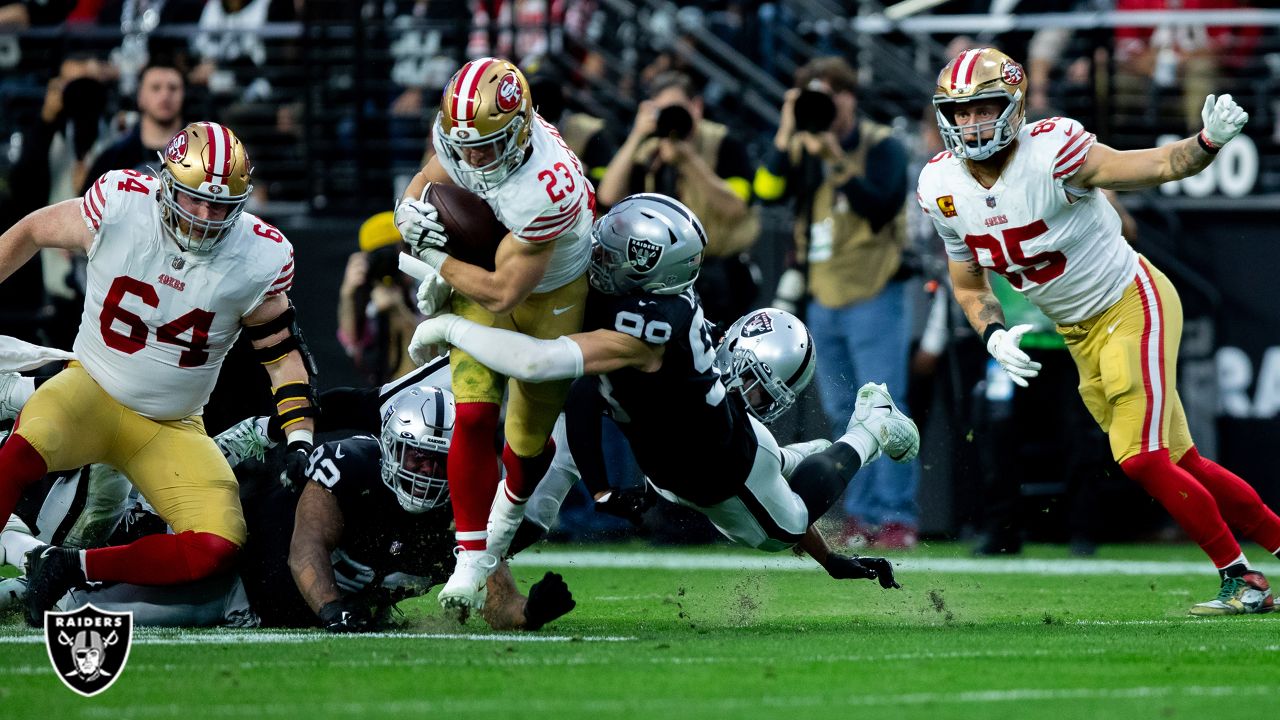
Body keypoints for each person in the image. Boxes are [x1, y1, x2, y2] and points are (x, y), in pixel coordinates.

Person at [917, 47, 1279, 616]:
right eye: (959, 112)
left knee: (1137, 457)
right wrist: (992, 332)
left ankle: (1242, 579)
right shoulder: (940, 184)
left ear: (1013, 104)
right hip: (1077, 330)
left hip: (1131, 300)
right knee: (1181, 463)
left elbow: (1157, 166)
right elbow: (967, 285)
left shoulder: (1054, 150)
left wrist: (1205, 143)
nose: (971, 123)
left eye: (983, 107)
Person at [409, 194, 919, 577]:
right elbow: (582, 394)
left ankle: (870, 429)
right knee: (543, 477)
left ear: (643, 266)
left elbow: (541, 364)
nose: (597, 256)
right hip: (677, 438)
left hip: (721, 468)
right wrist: (440, 265)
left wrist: (452, 326)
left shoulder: (650, 328)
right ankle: (466, 559)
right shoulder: (633, 299)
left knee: (783, 526)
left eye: (613, 250)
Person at [0, 121, 318, 626]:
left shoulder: (259, 255)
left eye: (221, 207)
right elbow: (34, 230)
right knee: (14, 456)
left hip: (171, 426)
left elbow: (282, 356)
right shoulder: (122, 204)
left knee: (218, 543)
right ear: (167, 182)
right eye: (195, 200)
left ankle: (70, 567)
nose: (207, 217)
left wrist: (301, 438)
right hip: (89, 390)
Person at [0, 383, 574, 632]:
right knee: (75, 613)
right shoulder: (351, 467)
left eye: (437, 463)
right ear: (392, 448)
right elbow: (307, 552)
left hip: (276, 602)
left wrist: (531, 612)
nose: (426, 473)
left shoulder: (465, 513)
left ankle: (41, 568)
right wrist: (334, 610)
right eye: (417, 459)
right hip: (238, 580)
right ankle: (33, 562)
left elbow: (499, 604)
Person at [393, 57, 595, 611]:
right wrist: (407, 214)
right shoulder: (465, 138)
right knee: (476, 414)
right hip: (485, 270)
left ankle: (496, 541)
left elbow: (505, 291)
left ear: (521, 128)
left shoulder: (545, 185)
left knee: (527, 443)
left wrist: (436, 260)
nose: (473, 158)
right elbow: (424, 181)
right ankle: (469, 554)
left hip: (550, 294)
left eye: (487, 145)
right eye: (465, 145)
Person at [754, 56, 919, 548]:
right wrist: (788, 132)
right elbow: (766, 192)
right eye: (814, 98)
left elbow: (880, 206)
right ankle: (862, 516)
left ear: (850, 97)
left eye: (833, 96)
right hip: (823, 294)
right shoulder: (801, 144)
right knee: (845, 409)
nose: (826, 107)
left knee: (885, 404)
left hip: (874, 289)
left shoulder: (880, 145)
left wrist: (835, 156)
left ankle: (896, 517)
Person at [596, 70, 759, 329]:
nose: (671, 118)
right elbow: (606, 197)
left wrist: (689, 161)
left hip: (721, 278)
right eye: (662, 111)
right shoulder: (648, 152)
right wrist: (637, 136)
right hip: (662, 279)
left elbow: (736, 207)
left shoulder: (725, 142)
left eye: (677, 109)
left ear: (696, 107)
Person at [337, 212, 423, 385]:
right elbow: (351, 341)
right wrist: (347, 294)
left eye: (395, 254)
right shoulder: (364, 297)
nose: (389, 263)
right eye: (380, 257)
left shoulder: (423, 290)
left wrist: (400, 310)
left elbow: (426, 353)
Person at [81, 60, 186, 191]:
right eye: (155, 88)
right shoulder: (111, 159)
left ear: (183, 95)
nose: (165, 95)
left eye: (173, 88)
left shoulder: (203, 157)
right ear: (140, 97)